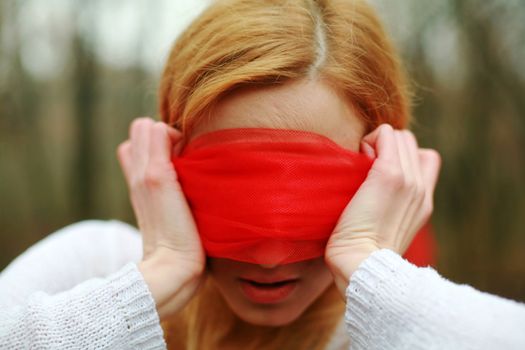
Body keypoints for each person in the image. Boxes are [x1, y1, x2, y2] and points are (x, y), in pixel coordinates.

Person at [1, 1, 524, 350]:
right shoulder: (93, 265)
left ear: (390, 173)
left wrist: (375, 276)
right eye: (234, 191)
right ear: (163, 160)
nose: (270, 257)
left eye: (311, 196)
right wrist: (154, 281)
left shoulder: (404, 326)